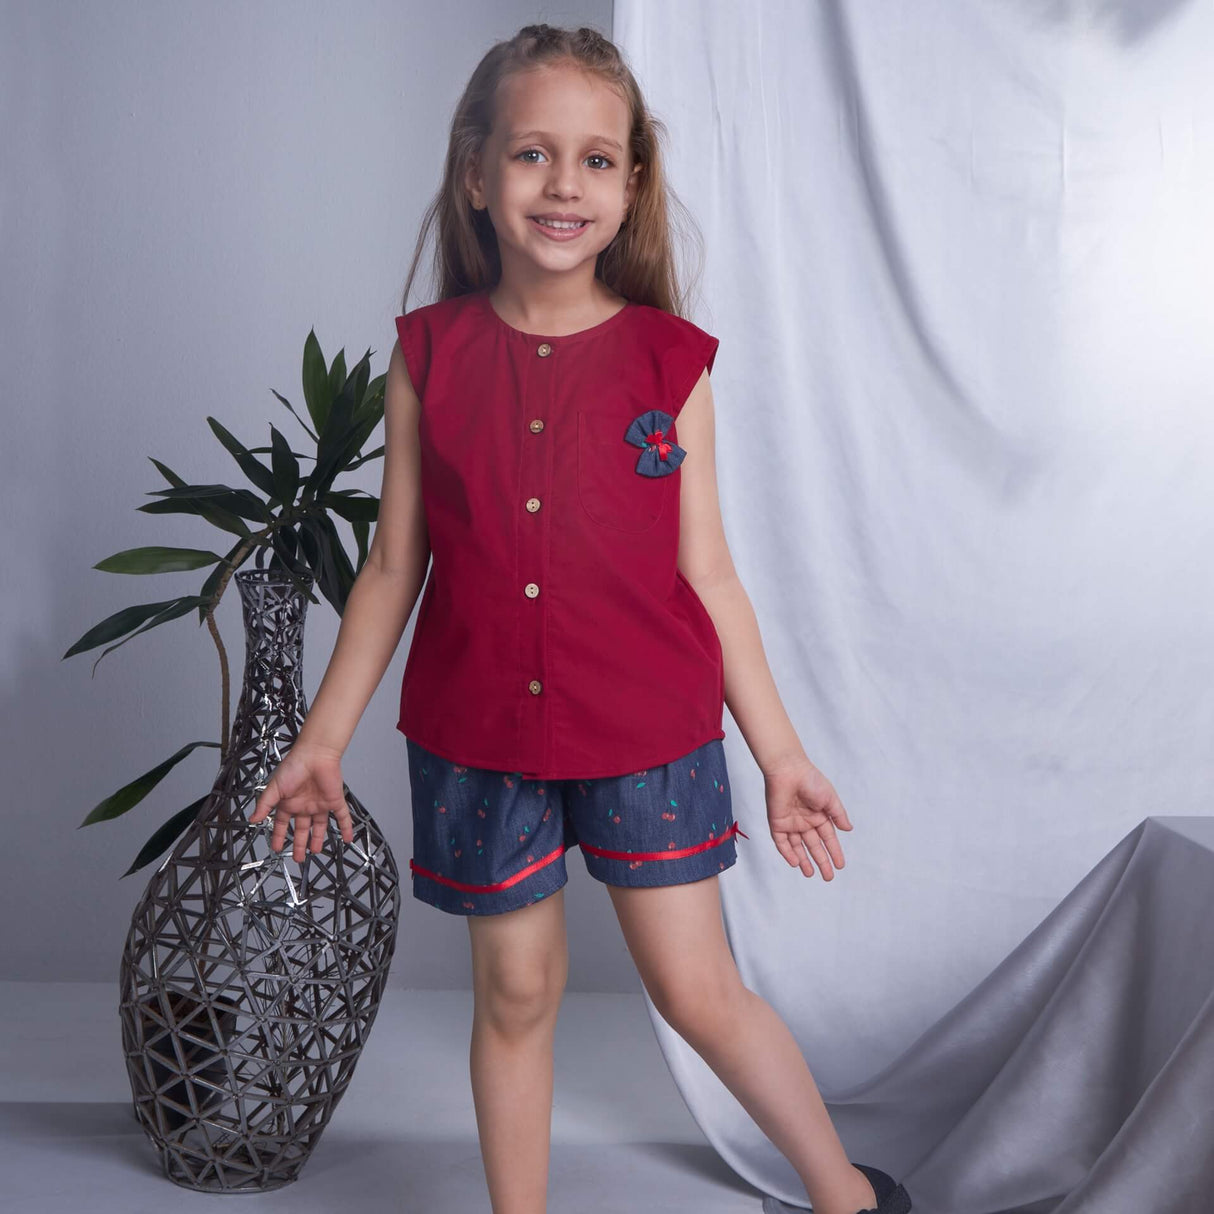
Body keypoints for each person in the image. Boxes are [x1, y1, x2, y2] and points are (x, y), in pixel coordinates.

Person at [250, 22, 911, 1214]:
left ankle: (848, 1198)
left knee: (697, 989)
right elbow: (394, 566)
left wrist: (780, 753)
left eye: (597, 160)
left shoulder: (672, 361)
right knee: (513, 995)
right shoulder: (427, 355)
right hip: (476, 733)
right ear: (474, 174)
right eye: (532, 155)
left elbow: (709, 576)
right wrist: (322, 737)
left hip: (648, 729)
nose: (563, 185)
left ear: (632, 183)